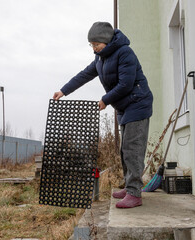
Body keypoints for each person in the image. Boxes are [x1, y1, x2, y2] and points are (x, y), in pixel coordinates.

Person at [53, 22, 153, 208]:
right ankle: (130, 186)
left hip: (138, 104)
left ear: (106, 40)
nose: (94, 48)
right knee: (125, 150)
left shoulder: (125, 53)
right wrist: (64, 91)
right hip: (124, 106)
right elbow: (84, 75)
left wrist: (105, 100)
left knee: (133, 149)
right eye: (91, 44)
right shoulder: (101, 58)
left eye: (96, 44)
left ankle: (134, 193)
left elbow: (126, 84)